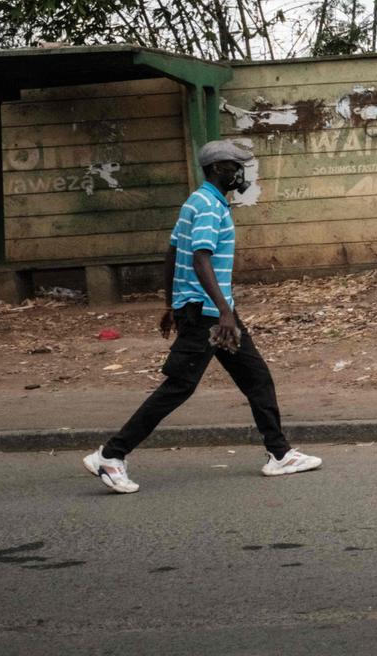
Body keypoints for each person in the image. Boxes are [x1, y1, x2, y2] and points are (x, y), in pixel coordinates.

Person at [83, 140, 321, 493]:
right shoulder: (209, 206)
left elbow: (171, 252)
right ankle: (111, 454)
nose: (241, 173)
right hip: (210, 315)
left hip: (209, 310)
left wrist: (170, 305)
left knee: (256, 378)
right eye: (235, 166)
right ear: (217, 169)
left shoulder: (196, 202)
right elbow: (199, 258)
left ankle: (280, 454)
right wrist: (223, 311)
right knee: (179, 386)